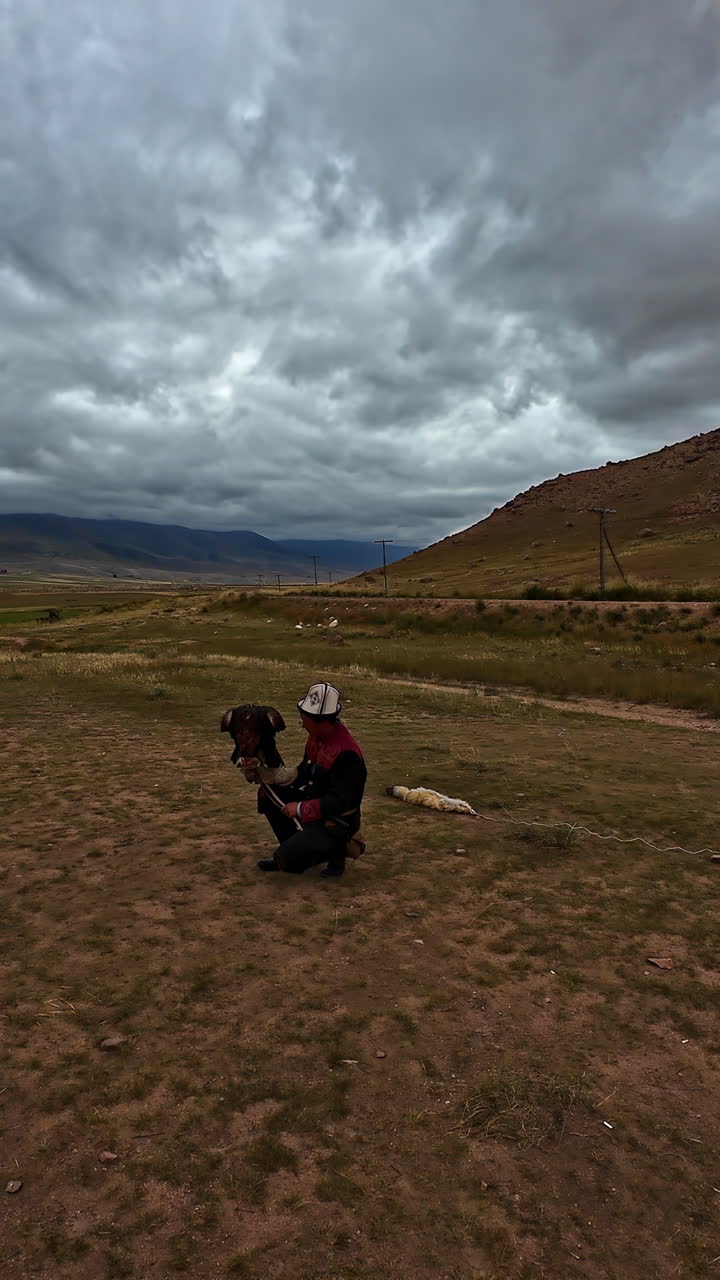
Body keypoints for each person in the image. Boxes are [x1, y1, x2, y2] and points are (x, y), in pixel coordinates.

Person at [253, 681, 366, 878]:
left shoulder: (347, 754)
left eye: (305, 720)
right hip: (314, 806)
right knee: (266, 795)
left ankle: (333, 853)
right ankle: (296, 844)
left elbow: (339, 802)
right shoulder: (316, 737)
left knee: (285, 861)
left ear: (321, 721)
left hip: (336, 821)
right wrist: (265, 775)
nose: (302, 724)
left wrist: (299, 808)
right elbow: (304, 772)